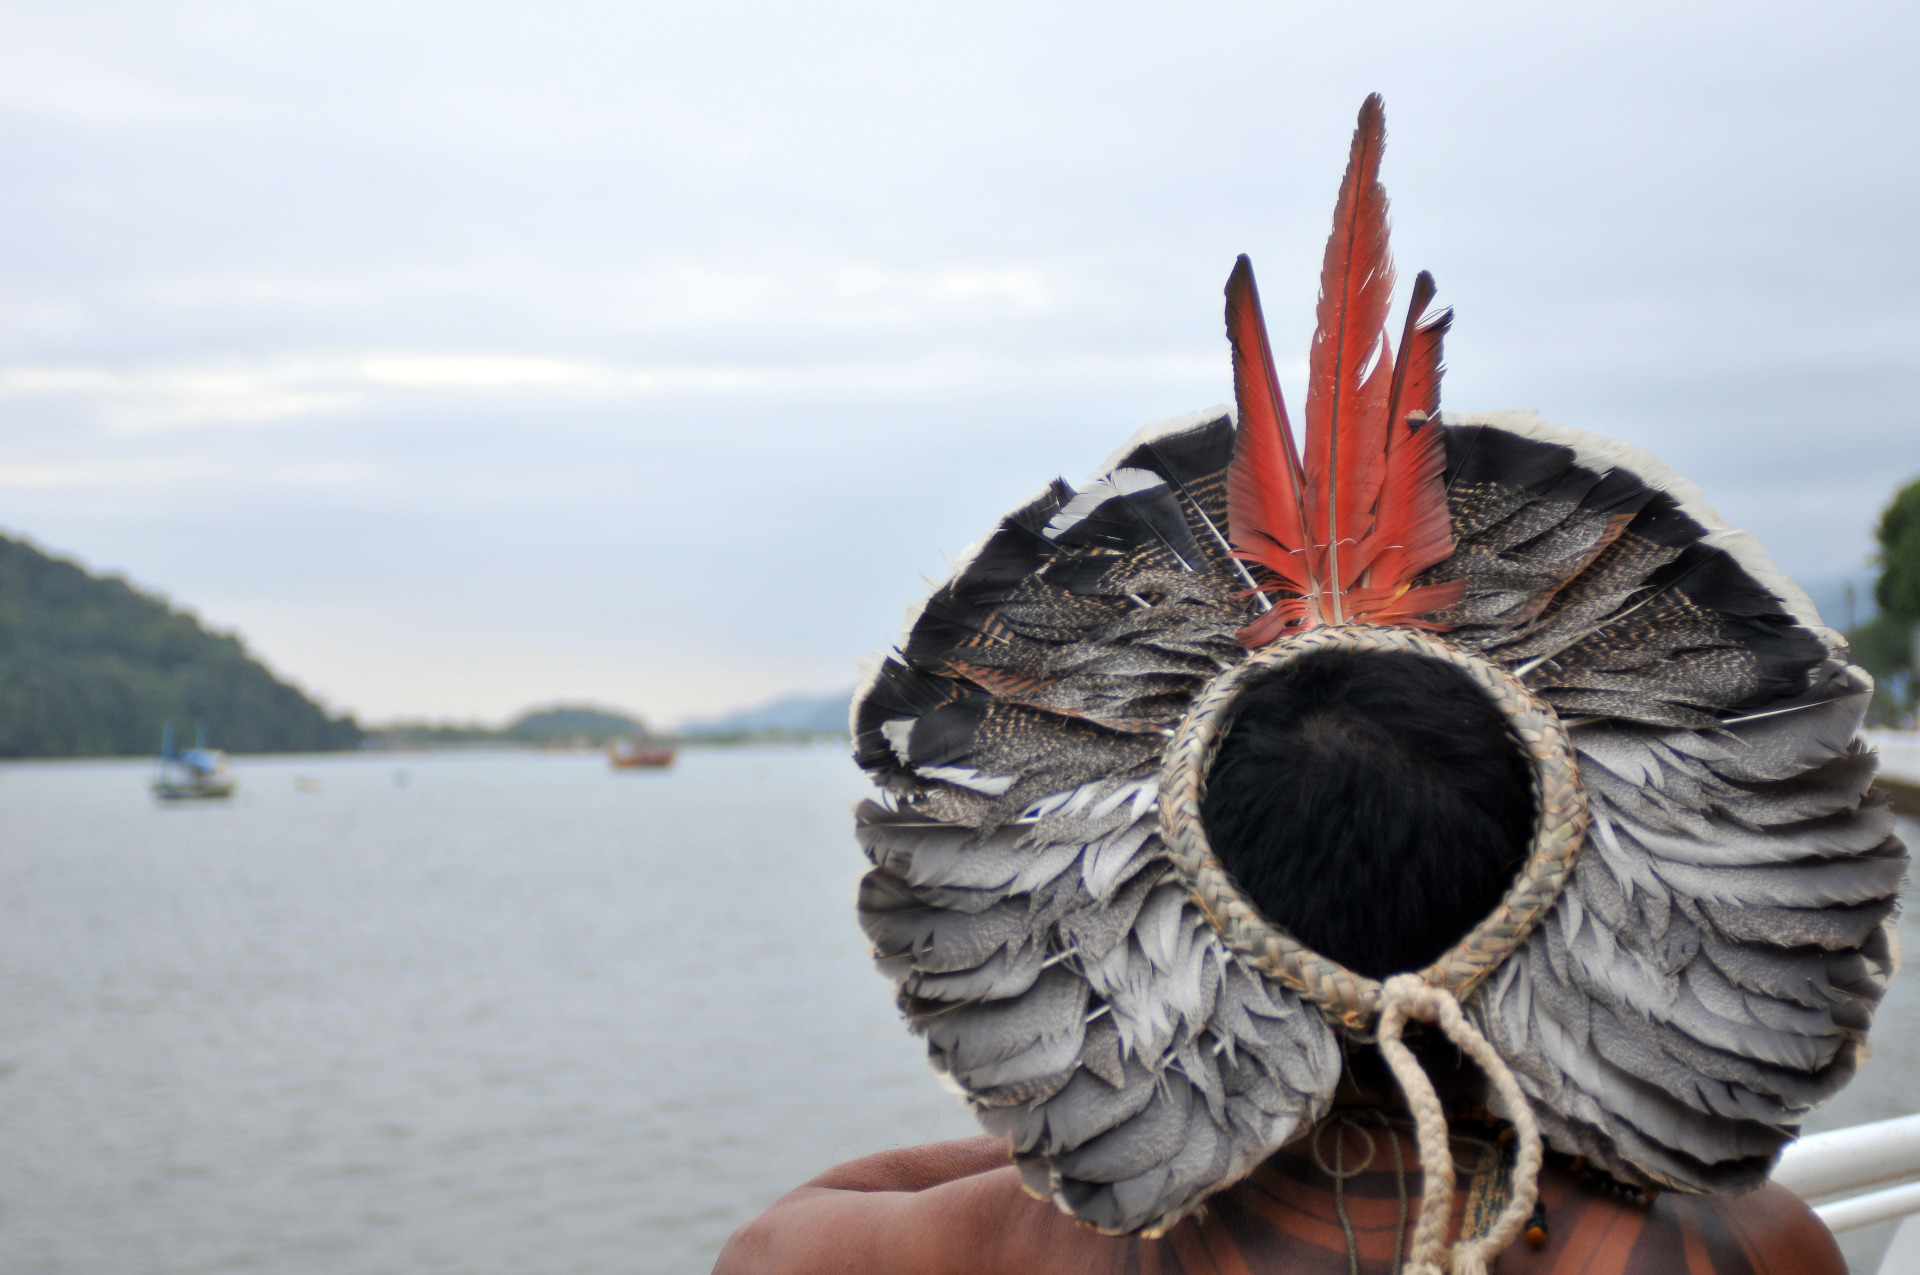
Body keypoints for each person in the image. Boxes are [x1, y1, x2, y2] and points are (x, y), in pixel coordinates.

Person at [716, 96, 1896, 1273]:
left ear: (1177, 910)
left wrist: (1097, 1129)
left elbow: (772, 1243)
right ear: (1577, 891)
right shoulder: (1752, 1247)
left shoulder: (984, 1250)